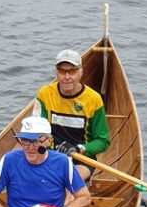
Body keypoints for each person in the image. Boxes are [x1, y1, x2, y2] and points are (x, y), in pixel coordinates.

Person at [32, 49, 110, 183]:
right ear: (56, 72)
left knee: (68, 180)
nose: (67, 77)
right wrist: (44, 143)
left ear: (81, 72)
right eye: (62, 71)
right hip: (50, 154)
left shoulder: (94, 99)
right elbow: (37, 130)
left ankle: (67, 202)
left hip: (81, 159)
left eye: (72, 71)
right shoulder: (44, 94)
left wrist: (80, 149)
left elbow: (103, 141)